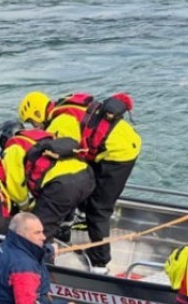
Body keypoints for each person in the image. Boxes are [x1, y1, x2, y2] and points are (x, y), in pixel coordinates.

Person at [17, 91, 142, 273]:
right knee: (82, 185)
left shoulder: (60, 122)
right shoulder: (64, 110)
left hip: (118, 154)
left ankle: (100, 263)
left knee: (98, 209)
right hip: (116, 144)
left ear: (37, 114)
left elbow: (70, 159)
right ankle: (73, 223)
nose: (33, 126)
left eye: (31, 121)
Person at [0, 120, 95, 242]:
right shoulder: (43, 135)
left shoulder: (13, 147)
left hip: (61, 186)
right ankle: (63, 235)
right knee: (66, 207)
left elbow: (16, 184)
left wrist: (25, 207)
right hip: (86, 176)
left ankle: (45, 258)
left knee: (38, 229)